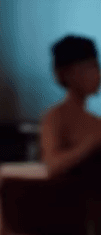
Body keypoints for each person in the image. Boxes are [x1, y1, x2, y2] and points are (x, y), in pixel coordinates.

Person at [40, 35, 101, 179]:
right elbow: (52, 166)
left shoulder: (96, 122)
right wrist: (91, 144)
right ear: (68, 73)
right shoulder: (55, 117)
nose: (98, 75)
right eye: (90, 68)